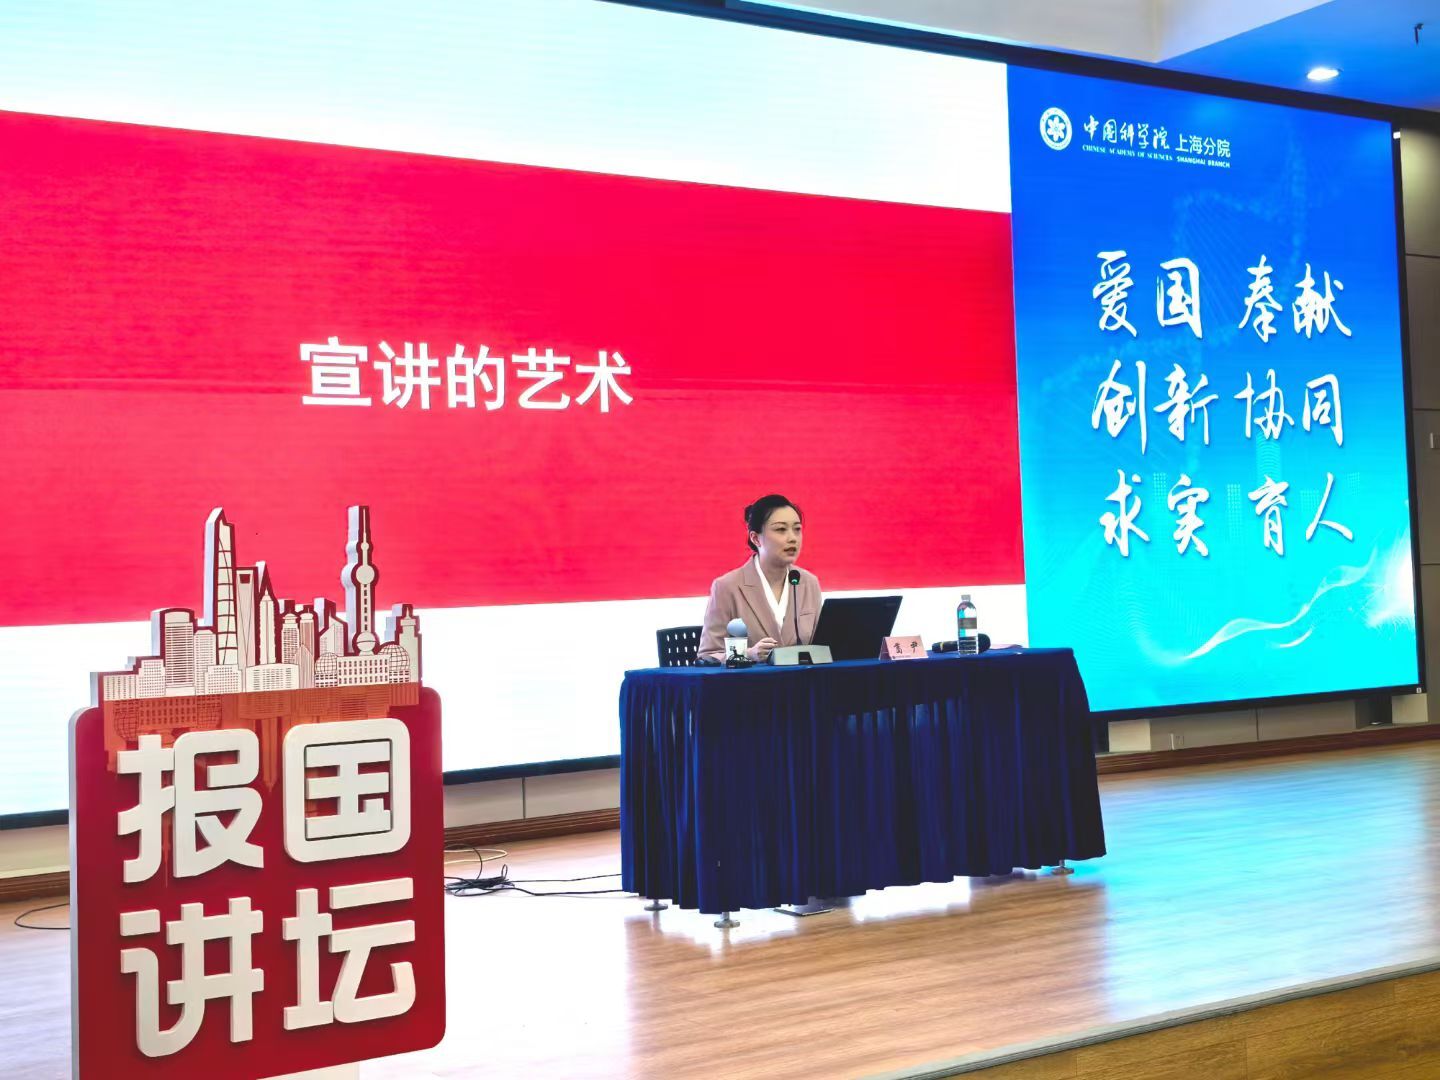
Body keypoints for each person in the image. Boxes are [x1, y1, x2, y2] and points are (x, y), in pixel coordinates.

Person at [697, 494, 822, 663]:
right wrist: (748, 654)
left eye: (797, 529)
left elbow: (822, 647)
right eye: (781, 529)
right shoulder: (727, 586)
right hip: (751, 680)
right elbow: (707, 655)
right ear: (755, 538)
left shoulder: (809, 583)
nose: (792, 538)